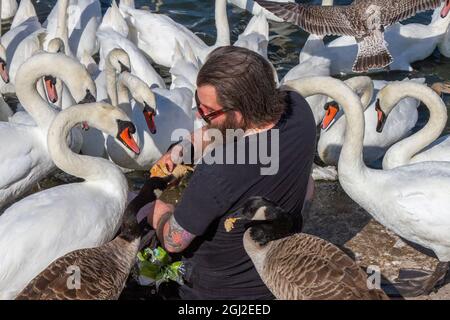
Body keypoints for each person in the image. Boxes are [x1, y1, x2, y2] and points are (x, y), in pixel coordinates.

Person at [147, 46, 316, 300]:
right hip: (275, 273)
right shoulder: (299, 110)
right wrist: (183, 149)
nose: (198, 115)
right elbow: (225, 132)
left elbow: (174, 241)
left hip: (217, 292)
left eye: (206, 111)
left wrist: (161, 206)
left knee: (138, 213)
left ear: (238, 114)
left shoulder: (219, 169)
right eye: (197, 102)